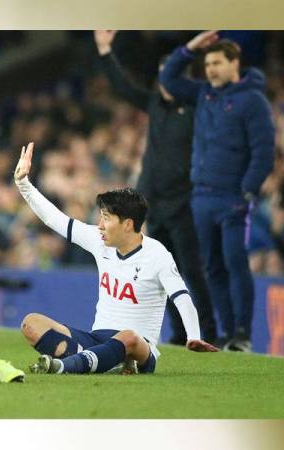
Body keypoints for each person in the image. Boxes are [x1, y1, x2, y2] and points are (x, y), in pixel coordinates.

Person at [14, 142, 217, 376]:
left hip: (139, 350)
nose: (100, 226)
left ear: (128, 224)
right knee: (31, 323)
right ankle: (103, 362)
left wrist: (193, 337)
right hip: (96, 338)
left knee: (129, 336)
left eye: (106, 219)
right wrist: (23, 184)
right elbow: (55, 220)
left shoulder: (157, 254)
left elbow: (181, 297)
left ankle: (68, 365)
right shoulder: (99, 241)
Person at [94, 30, 217, 346]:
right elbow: (122, 87)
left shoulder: (196, 110)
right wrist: (106, 50)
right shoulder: (154, 104)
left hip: (184, 203)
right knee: (160, 276)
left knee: (190, 273)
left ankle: (205, 332)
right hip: (152, 203)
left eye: (170, 75)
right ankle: (178, 335)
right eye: (162, 75)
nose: (164, 81)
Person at [159, 31, 276, 352]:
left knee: (235, 262)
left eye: (217, 62)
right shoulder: (203, 94)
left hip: (233, 198)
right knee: (212, 267)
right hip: (201, 197)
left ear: (234, 63)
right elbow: (169, 77)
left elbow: (263, 152)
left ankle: (242, 333)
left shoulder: (252, 100)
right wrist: (190, 48)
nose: (210, 69)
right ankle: (225, 333)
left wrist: (248, 192)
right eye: (207, 63)